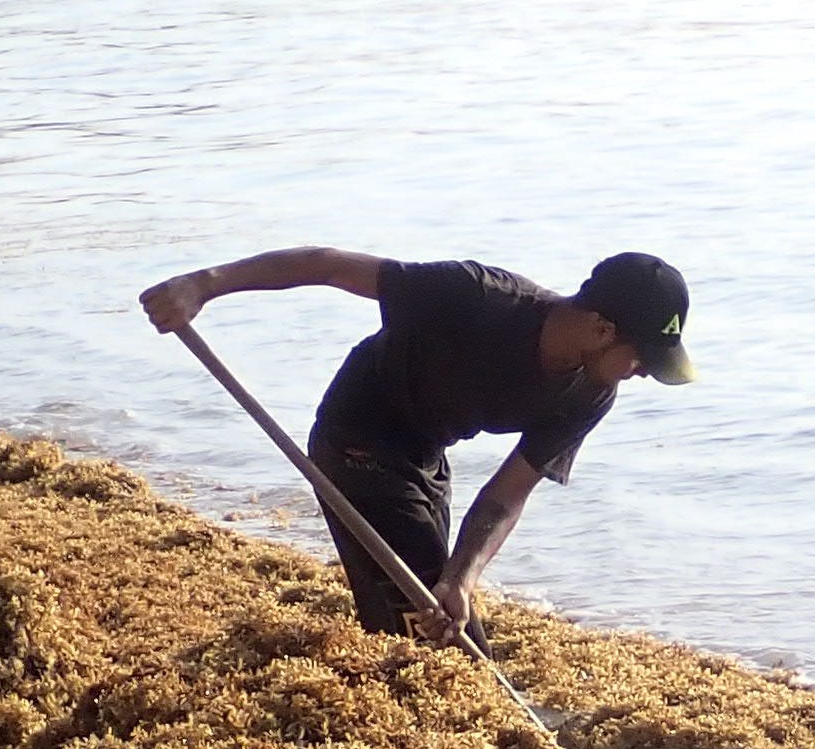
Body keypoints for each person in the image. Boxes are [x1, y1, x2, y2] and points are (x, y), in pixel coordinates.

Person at [137, 247, 693, 644]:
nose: (644, 372)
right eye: (642, 356)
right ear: (600, 328)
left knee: (431, 603)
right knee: (441, 633)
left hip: (426, 455)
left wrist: (464, 575)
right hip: (358, 436)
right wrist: (202, 284)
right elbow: (326, 266)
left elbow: (507, 495)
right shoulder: (474, 296)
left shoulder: (591, 392)